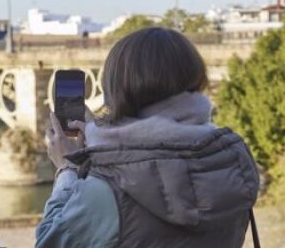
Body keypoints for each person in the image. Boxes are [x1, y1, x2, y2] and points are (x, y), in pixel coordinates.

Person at [36, 27, 260, 248]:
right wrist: (99, 145)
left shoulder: (106, 192)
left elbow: (48, 242)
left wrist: (67, 168)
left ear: (116, 87)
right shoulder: (233, 159)